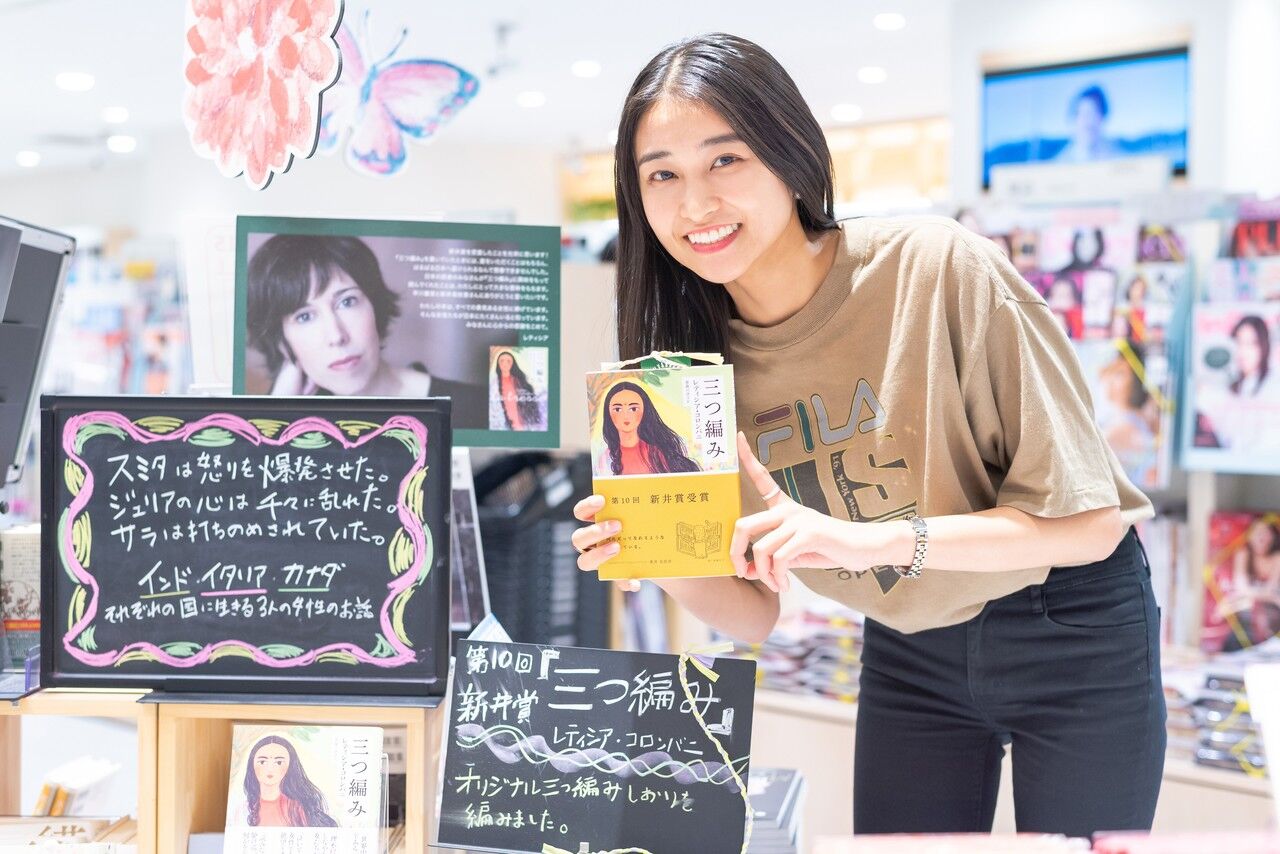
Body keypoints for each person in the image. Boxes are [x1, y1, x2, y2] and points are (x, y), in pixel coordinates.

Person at [572, 34, 1161, 839]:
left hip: (1070, 624)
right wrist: (650, 554)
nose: (695, 204)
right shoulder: (688, 373)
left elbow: (1092, 526)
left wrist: (869, 542)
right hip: (910, 647)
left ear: (789, 152)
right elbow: (754, 614)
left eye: (725, 160)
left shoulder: (937, 269)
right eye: (662, 175)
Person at [245, 234, 487, 425]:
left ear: (375, 305)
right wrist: (278, 413)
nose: (336, 336)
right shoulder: (288, 419)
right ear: (281, 342)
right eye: (305, 316)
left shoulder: (477, 409)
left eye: (347, 302)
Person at [596, 381, 700, 476]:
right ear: (608, 413)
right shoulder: (605, 458)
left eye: (633, 409)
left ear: (644, 411)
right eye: (618, 409)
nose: (626, 415)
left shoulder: (656, 453)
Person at [239, 735, 337, 827]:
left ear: (290, 767)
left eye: (279, 762)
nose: (270, 768)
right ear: (252, 765)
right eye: (262, 762)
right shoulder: (243, 810)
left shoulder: (297, 808)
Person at [1053, 85, 1123, 163]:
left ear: (1102, 117)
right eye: (1084, 113)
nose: (1089, 119)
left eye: (1095, 112)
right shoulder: (1059, 164)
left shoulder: (1119, 158)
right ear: (1073, 119)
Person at [493, 350, 544, 430]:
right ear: (498, 364)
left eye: (508, 361)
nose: (505, 364)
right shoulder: (494, 384)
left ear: (513, 364)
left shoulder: (520, 382)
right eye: (502, 361)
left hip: (522, 423)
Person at [1229, 314, 1271, 397]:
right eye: (1239, 343)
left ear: (1264, 346)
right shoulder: (1228, 383)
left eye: (1250, 343)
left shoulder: (1273, 385)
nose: (1243, 350)